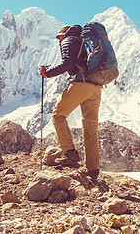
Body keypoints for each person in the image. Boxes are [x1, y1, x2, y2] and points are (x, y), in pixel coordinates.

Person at [39, 25, 102, 179]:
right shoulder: (83, 43)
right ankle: (92, 169)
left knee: (58, 115)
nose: (58, 41)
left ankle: (70, 154)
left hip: (80, 84)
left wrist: (47, 73)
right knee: (90, 127)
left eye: (58, 38)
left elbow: (67, 63)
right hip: (96, 88)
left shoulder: (68, 41)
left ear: (63, 35)